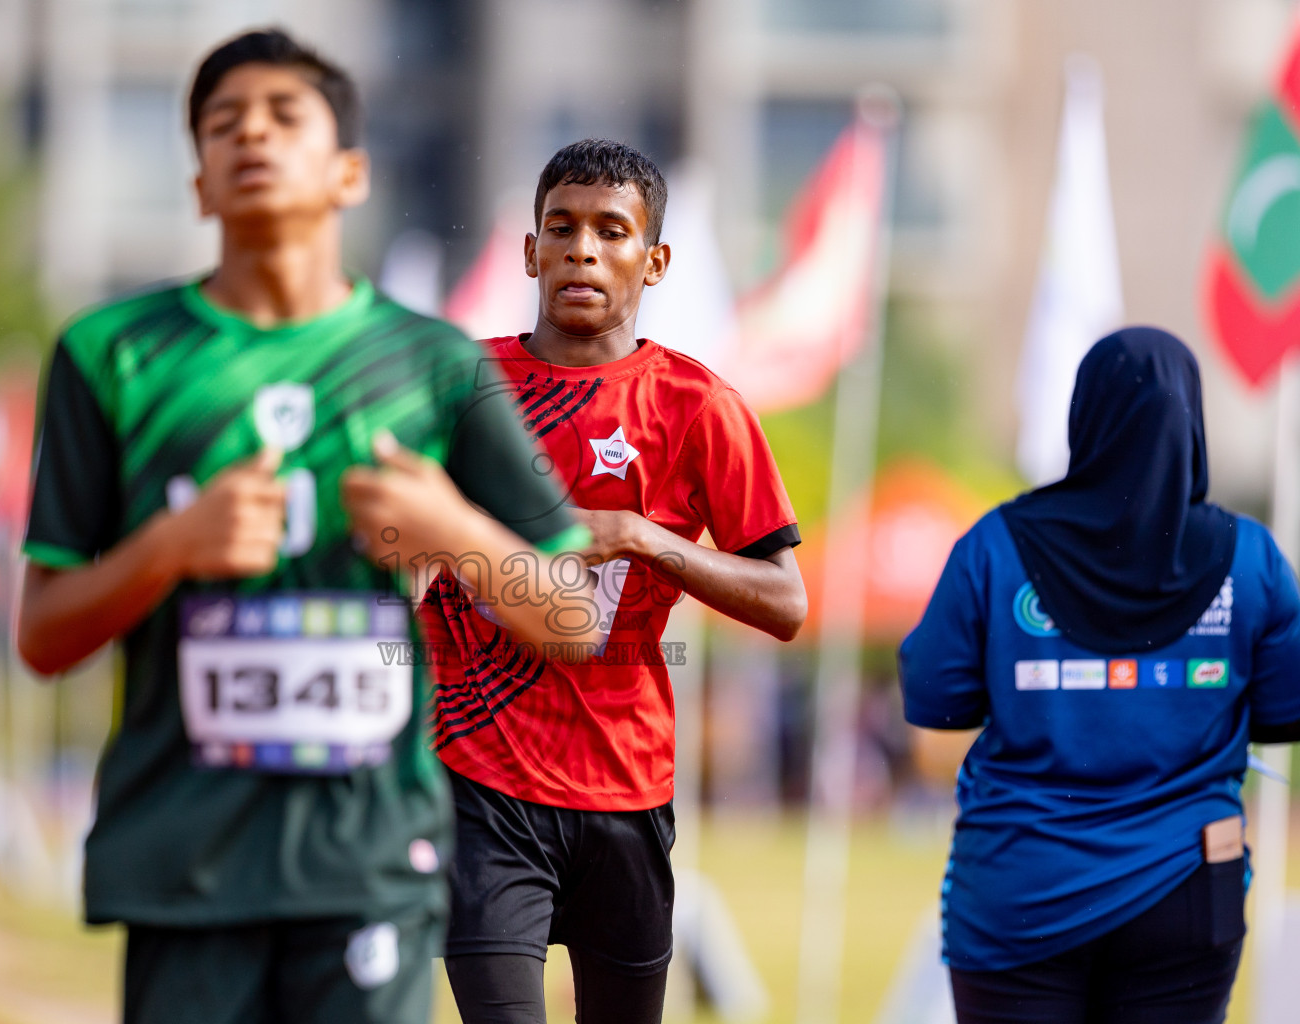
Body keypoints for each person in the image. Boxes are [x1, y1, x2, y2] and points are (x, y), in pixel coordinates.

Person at [15, 28, 599, 1024]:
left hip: (369, 862)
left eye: (284, 117)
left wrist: (449, 526)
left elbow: (579, 617)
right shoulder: (110, 355)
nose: (252, 137)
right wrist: (170, 547)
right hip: (184, 866)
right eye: (222, 124)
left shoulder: (433, 363)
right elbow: (42, 634)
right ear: (199, 182)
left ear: (349, 171)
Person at [419, 139, 809, 1024]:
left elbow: (787, 602)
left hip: (627, 791)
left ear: (654, 259)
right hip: (479, 784)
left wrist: (643, 538)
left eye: (612, 230)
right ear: (531, 252)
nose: (582, 250)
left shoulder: (695, 405)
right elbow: (385, 545)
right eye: (561, 228)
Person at [899, 327, 1300, 1024]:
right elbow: (1283, 710)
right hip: (1188, 889)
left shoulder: (994, 547)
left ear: (1082, 417)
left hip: (1019, 893)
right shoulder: (1252, 559)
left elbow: (935, 712)